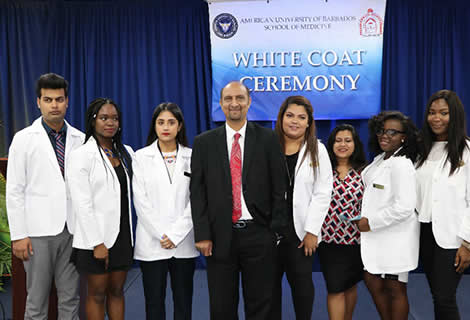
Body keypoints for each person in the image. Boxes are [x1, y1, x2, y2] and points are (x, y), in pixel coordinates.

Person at [190, 81, 286, 320]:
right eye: (229, 99)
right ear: (221, 104)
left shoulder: (268, 139)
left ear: (249, 102)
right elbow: (197, 191)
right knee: (222, 306)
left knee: (262, 305)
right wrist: (202, 234)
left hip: (259, 234)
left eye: (240, 98)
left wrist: (274, 231)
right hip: (220, 235)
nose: (234, 103)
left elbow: (279, 187)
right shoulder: (204, 142)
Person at [6, 73, 83, 319]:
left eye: (59, 99)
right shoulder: (23, 139)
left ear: (67, 101)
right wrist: (18, 235)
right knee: (36, 300)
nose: (54, 105)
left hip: (72, 231)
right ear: (38, 102)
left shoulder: (80, 139)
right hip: (37, 233)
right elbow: (15, 190)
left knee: (70, 297)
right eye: (48, 100)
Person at [66, 98, 134, 320]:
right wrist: (97, 243)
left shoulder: (126, 154)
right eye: (104, 118)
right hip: (95, 239)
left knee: (116, 291)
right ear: (92, 121)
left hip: (122, 235)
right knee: (96, 294)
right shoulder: (81, 156)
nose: (110, 123)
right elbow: (82, 204)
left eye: (114, 118)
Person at [133, 102, 198, 320]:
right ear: (154, 126)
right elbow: (140, 201)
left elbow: (197, 200)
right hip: (152, 243)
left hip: (183, 242)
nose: (166, 127)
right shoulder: (141, 157)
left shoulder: (193, 156)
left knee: (183, 303)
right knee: (154, 304)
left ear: (179, 126)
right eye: (161, 122)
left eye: (171, 122)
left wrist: (175, 234)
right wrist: (162, 234)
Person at [270, 95, 333, 320]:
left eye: (301, 117)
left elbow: (323, 192)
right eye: (289, 116)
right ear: (281, 118)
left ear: (309, 122)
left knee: (303, 288)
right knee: (267, 292)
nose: (294, 121)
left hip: (301, 234)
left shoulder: (317, 150)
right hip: (269, 233)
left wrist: (312, 231)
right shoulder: (267, 146)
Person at [356, 111, 420, 320]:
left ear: (404, 137)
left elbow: (404, 207)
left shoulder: (402, 164)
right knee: (374, 282)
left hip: (395, 239)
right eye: (382, 131)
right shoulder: (380, 159)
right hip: (377, 237)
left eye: (393, 132)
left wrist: (371, 222)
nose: (385, 135)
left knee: (395, 290)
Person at [415, 90, 470, 319]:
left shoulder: (466, 150)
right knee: (438, 295)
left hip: (453, 237)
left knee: (445, 297)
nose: (436, 118)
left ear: (454, 115)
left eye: (443, 113)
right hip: (425, 233)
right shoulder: (421, 151)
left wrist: (467, 242)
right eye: (432, 112)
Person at [318, 124, 366, 320]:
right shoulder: (322, 170)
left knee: (349, 285)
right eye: (338, 140)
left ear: (355, 144)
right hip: (329, 241)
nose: (343, 144)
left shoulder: (365, 171)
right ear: (331, 144)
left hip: (356, 241)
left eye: (348, 140)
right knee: (335, 288)